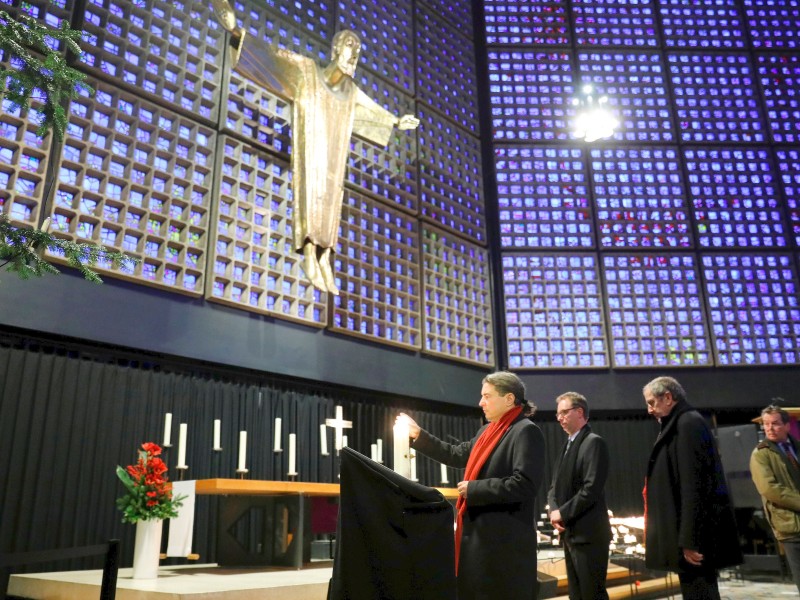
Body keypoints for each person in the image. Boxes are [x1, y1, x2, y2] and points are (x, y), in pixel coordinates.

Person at [211, 0, 419, 294]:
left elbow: (373, 113)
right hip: (312, 146)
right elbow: (272, 59)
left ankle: (325, 257)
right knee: (312, 184)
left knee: (333, 194)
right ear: (336, 49)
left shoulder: (350, 93)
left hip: (334, 155)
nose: (355, 52)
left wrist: (396, 122)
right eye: (350, 44)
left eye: (357, 49)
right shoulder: (306, 73)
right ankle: (309, 252)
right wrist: (235, 31)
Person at [397, 371, 545, 600]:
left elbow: (524, 484)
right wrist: (419, 435)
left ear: (508, 399)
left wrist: (474, 489)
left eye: (487, 396)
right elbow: (456, 454)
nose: (480, 402)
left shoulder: (525, 431)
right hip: (480, 540)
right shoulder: (487, 432)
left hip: (504, 544)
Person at [642, 376, 742, 600]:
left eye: (651, 402)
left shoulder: (687, 424)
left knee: (701, 593)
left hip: (695, 539)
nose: (649, 410)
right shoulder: (679, 423)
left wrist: (690, 539)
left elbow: (694, 486)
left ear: (668, 397)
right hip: (688, 535)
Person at [547, 392, 611, 600]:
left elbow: (590, 489)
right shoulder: (567, 445)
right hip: (571, 534)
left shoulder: (593, 443)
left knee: (592, 594)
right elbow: (553, 486)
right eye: (558, 414)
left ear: (580, 412)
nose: (559, 418)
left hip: (589, 535)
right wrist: (554, 510)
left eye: (564, 412)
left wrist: (561, 513)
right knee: (577, 595)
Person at [750, 403, 800, 594]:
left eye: (775, 423)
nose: (769, 428)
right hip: (790, 526)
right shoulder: (761, 454)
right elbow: (770, 490)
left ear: (787, 426)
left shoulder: (796, 446)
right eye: (766, 424)